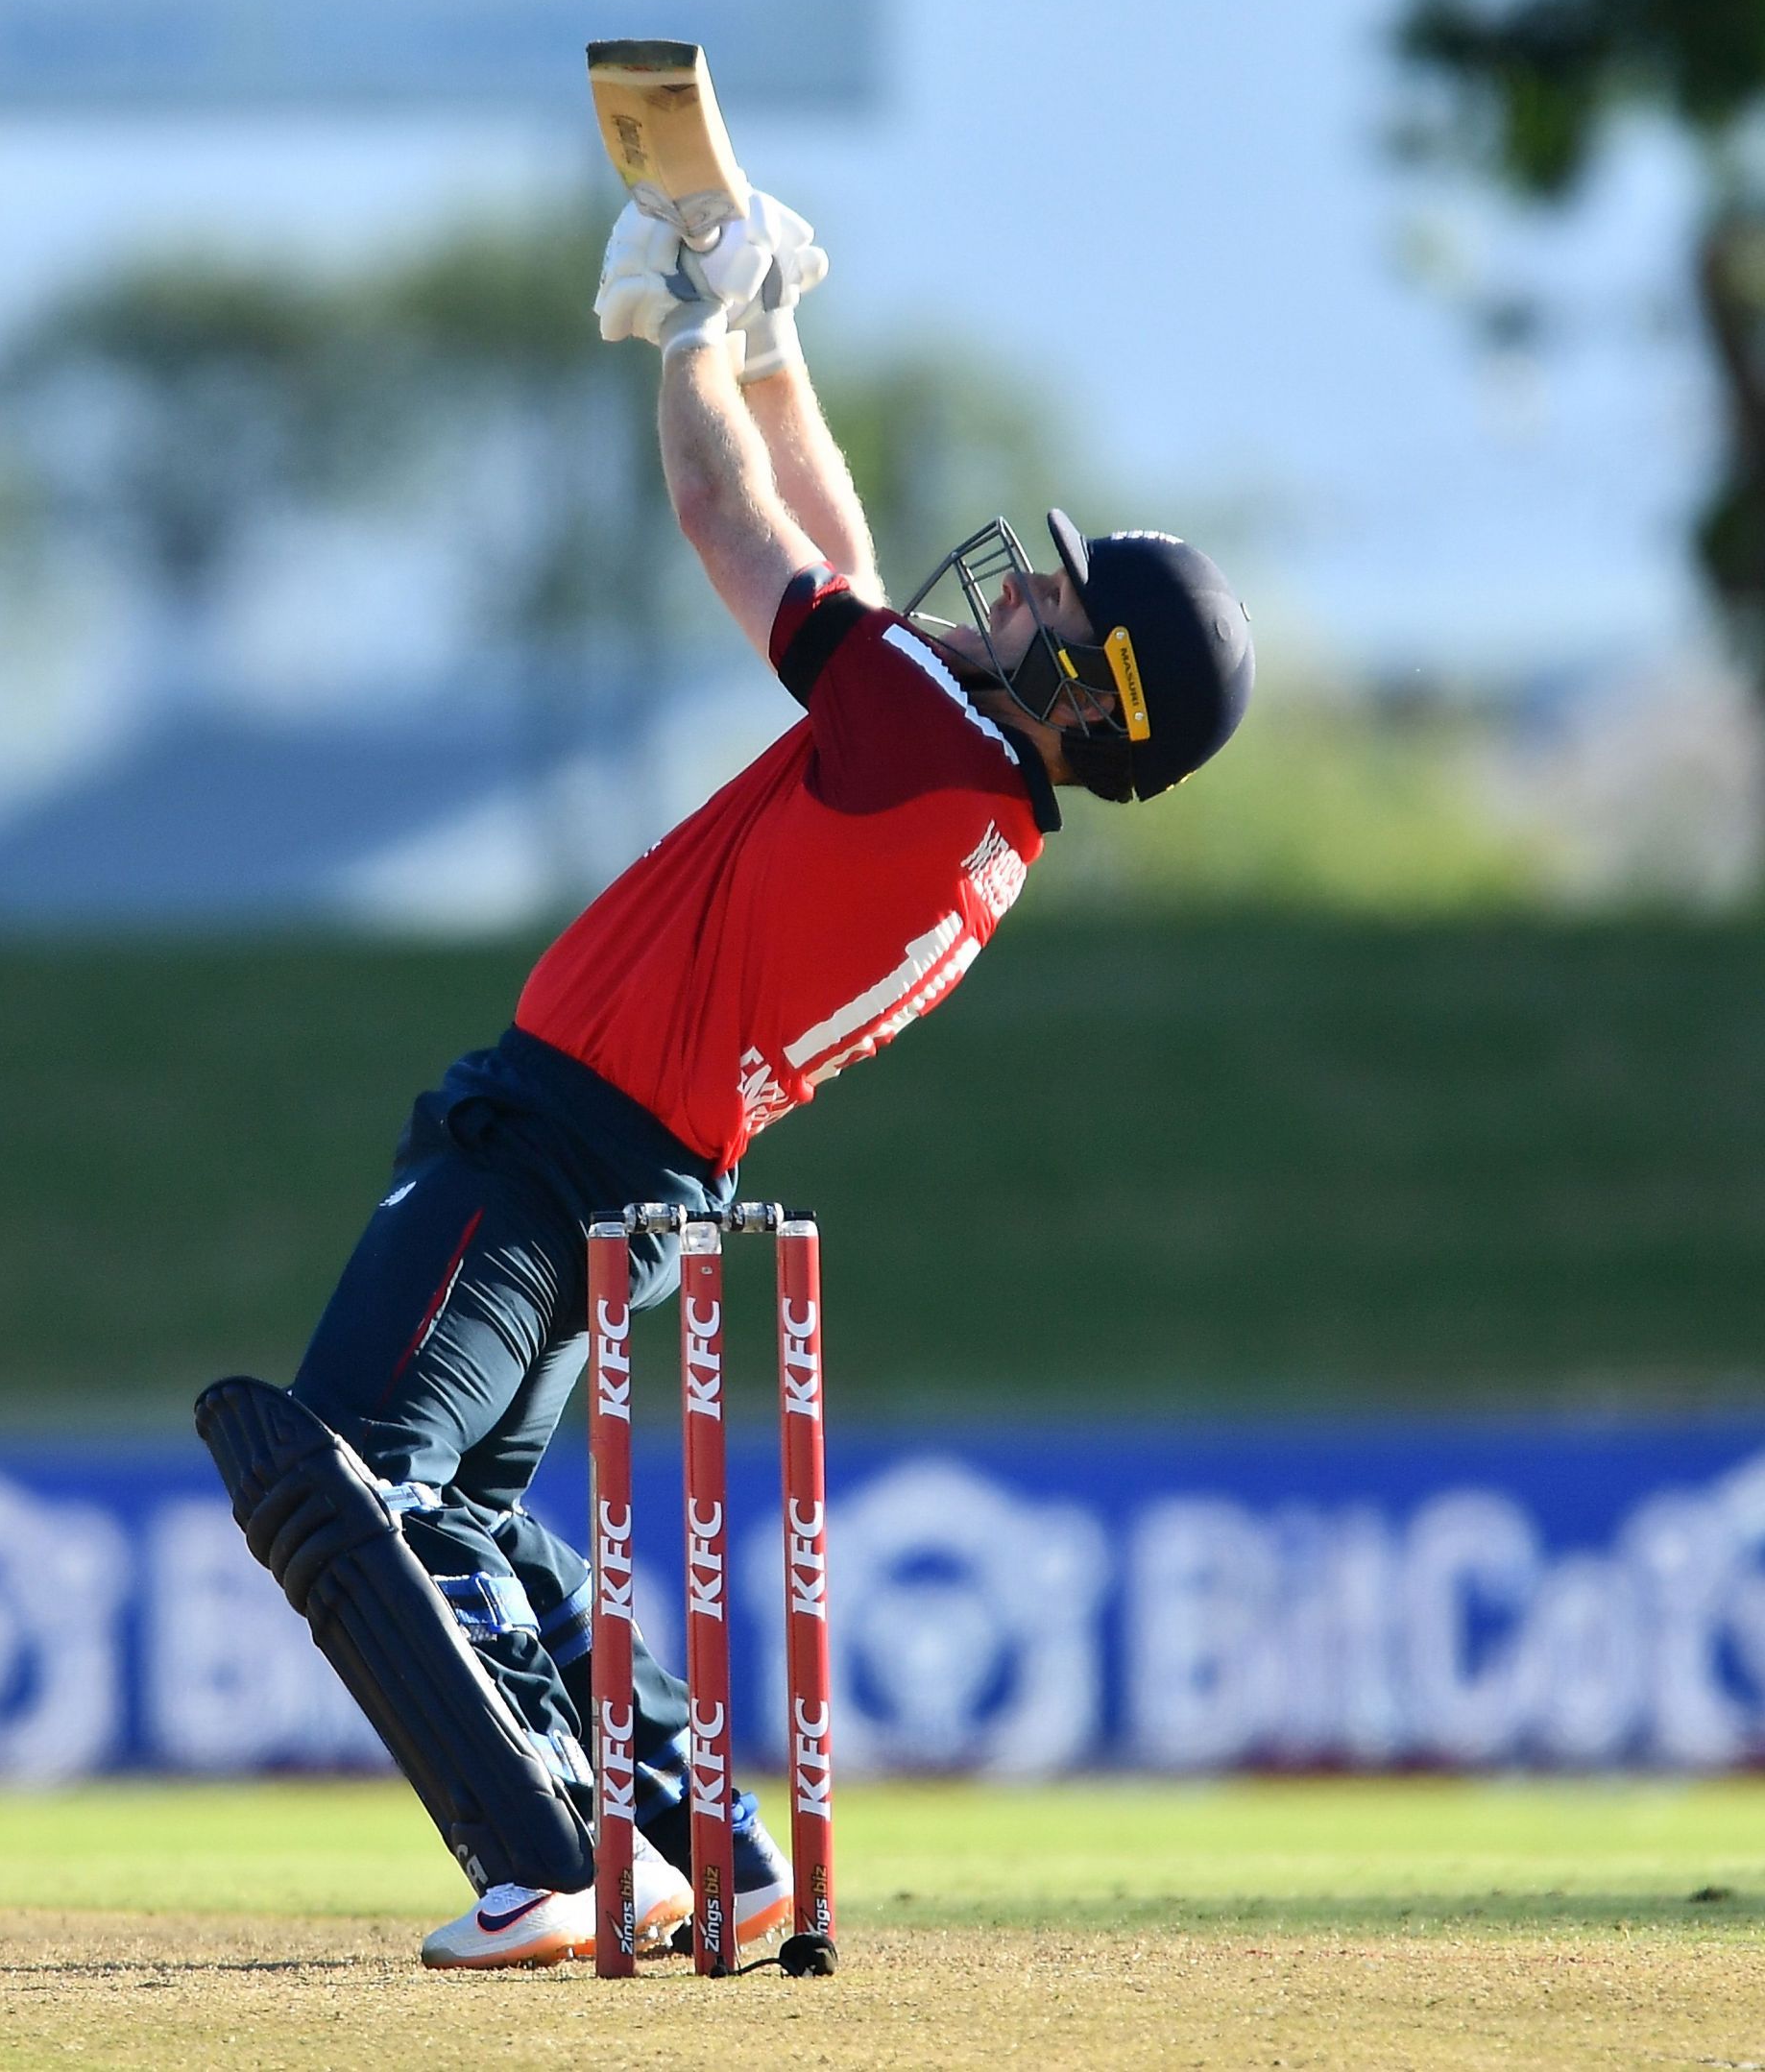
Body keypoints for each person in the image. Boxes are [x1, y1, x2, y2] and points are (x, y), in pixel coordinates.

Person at [262, 186, 1254, 1970]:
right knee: (472, 1511)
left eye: (1059, 598)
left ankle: (554, 1860)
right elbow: (856, 580)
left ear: (1090, 699)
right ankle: (698, 1839)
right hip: (632, 1170)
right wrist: (781, 327)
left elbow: (737, 521)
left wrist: (690, 338)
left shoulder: (923, 750)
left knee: (357, 1476)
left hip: (556, 1148)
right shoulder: (965, 798)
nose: (1021, 581)